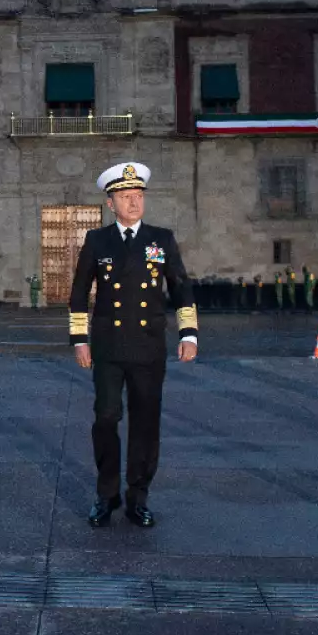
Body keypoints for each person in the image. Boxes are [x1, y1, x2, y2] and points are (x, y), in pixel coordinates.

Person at [68, 161, 197, 528]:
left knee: (146, 423)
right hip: (108, 347)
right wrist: (80, 340)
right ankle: (106, 495)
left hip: (148, 346)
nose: (134, 203)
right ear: (111, 203)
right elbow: (78, 295)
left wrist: (189, 334)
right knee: (106, 419)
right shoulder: (98, 241)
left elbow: (181, 287)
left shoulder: (161, 239)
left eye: (138, 196)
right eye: (126, 197)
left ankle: (138, 497)